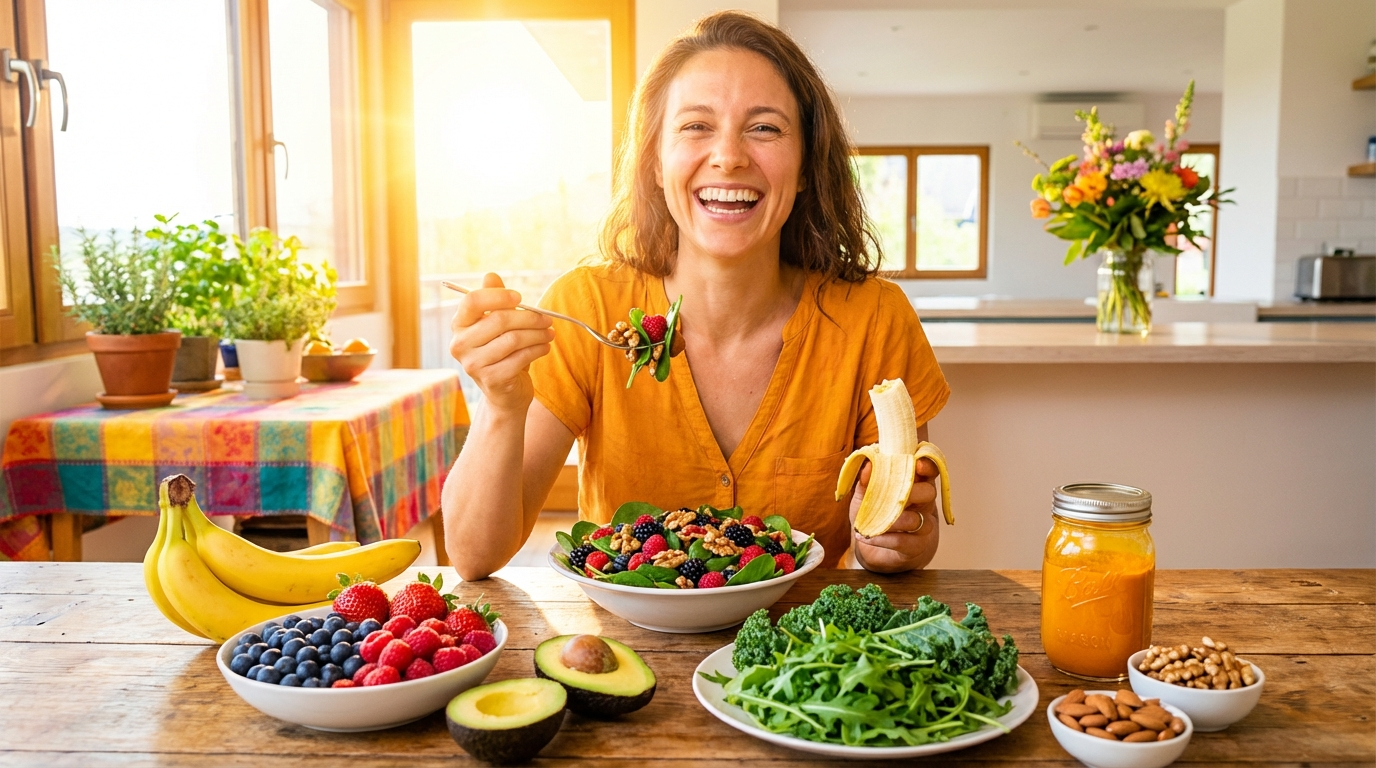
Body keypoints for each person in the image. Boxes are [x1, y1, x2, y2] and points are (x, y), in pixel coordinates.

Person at [442, 11, 948, 581]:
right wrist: (502, 407)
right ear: (655, 161)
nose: (728, 156)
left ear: (806, 165)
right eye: (696, 126)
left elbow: (905, 537)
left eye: (765, 128)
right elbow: (473, 554)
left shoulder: (873, 319)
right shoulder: (587, 309)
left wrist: (892, 540)